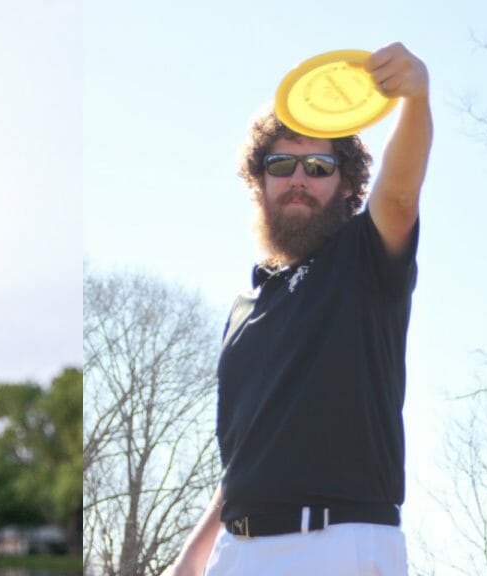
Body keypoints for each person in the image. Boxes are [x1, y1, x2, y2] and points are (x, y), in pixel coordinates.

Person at [164, 42, 432, 576]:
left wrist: (416, 99)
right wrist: (192, 558)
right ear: (259, 181)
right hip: (236, 551)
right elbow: (246, 457)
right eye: (282, 163)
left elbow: (400, 199)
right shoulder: (246, 304)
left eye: (318, 164)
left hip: (338, 543)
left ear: (349, 184)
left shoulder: (363, 259)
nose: (299, 178)